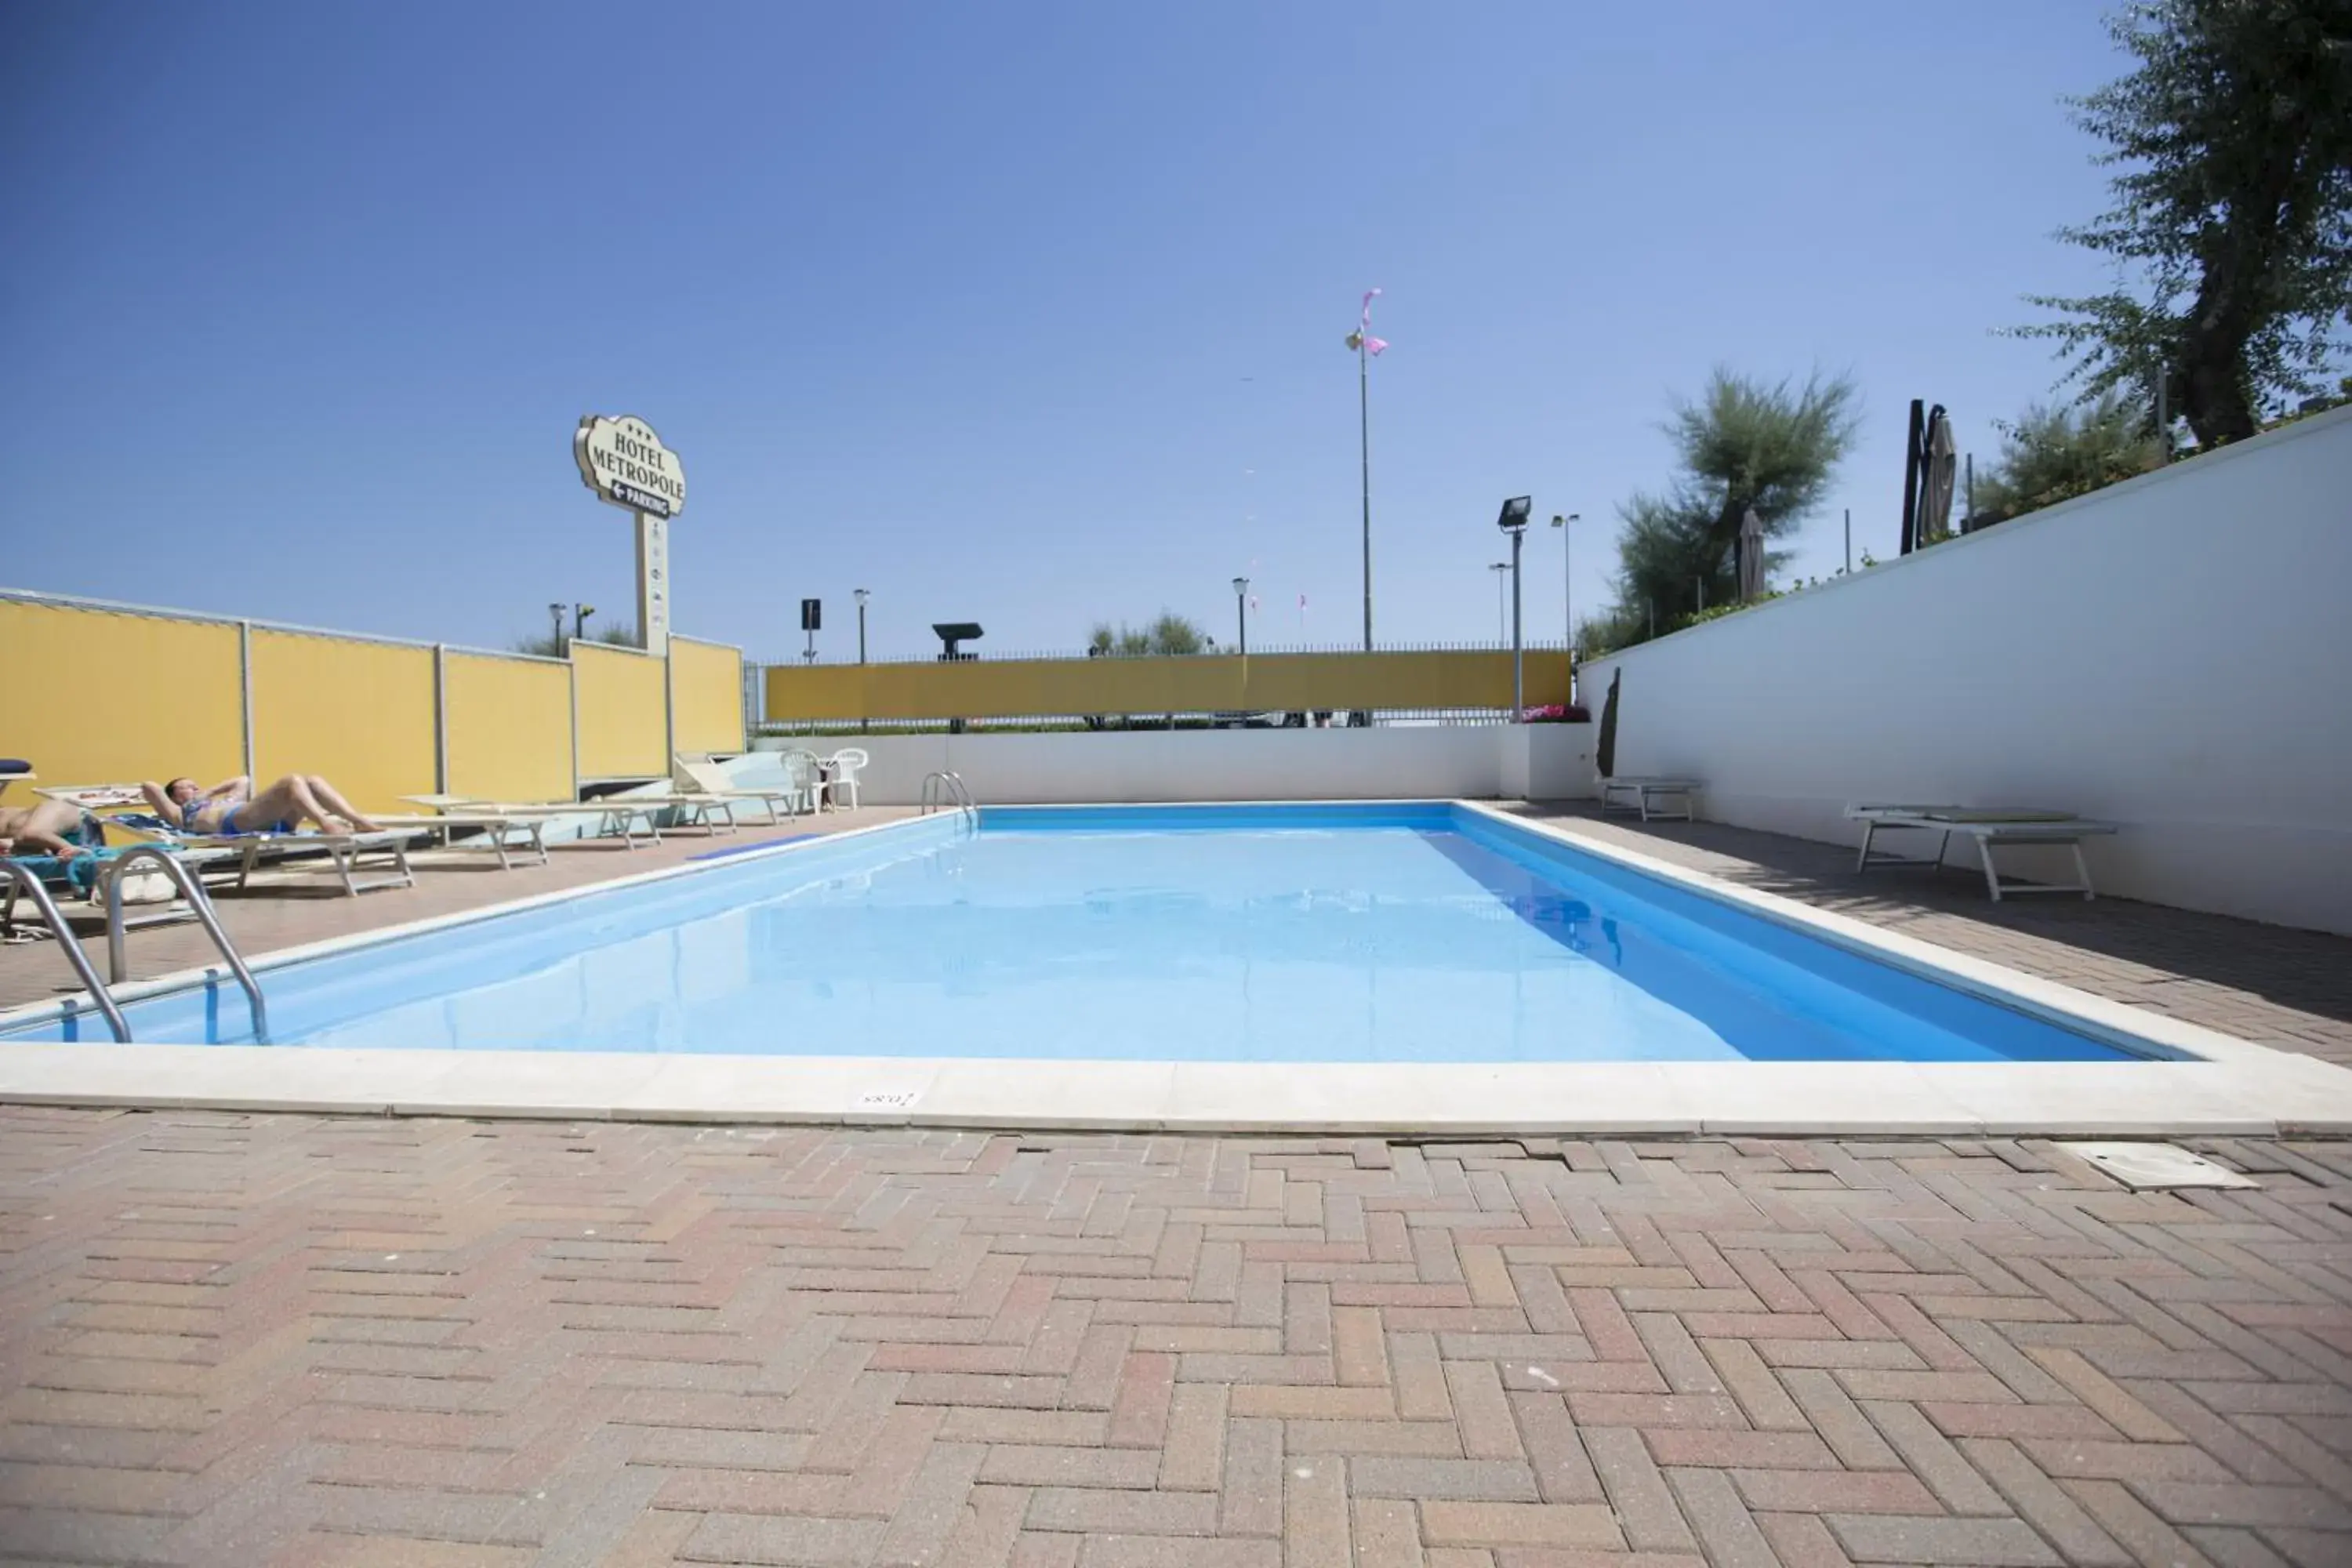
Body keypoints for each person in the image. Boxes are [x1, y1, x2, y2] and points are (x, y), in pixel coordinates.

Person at [141, 774, 382, 837]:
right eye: (186, 786)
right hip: (235, 823)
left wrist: (209, 792)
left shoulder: (220, 800)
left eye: (195, 785)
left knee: (312, 781)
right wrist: (194, 799)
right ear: (173, 796)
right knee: (291, 781)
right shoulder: (179, 812)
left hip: (261, 820)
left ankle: (356, 820)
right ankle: (326, 823)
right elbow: (148, 786)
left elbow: (242, 780)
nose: (194, 788)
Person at [0, 797, 93, 859]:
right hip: (26, 837)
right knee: (24, 839)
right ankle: (40, 849)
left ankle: (72, 850)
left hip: (58, 809)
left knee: (31, 834)